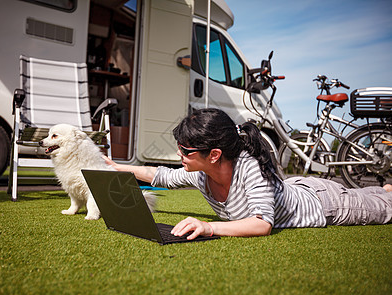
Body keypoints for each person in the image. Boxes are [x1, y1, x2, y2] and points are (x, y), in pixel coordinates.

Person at [103, 108, 392, 240]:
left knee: (382, 207)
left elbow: (261, 224)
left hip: (324, 205)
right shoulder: (200, 174)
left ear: (214, 154)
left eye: (185, 151)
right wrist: (119, 168)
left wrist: (209, 227)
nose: (180, 156)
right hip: (293, 187)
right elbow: (160, 175)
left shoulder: (249, 167)